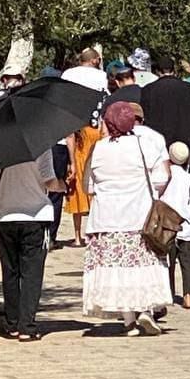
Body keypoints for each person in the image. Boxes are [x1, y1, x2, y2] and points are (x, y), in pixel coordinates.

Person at [81, 102, 172, 334]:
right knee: (141, 267)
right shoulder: (143, 144)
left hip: (106, 219)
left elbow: (88, 186)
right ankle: (145, 311)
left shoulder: (98, 148)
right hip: (138, 216)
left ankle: (129, 322)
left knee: (117, 271)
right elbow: (163, 176)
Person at [0, 148, 63, 341]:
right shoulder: (41, 148)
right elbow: (49, 181)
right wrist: (62, 185)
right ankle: (27, 326)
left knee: (10, 272)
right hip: (35, 215)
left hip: (6, 215)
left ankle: (12, 323)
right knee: (31, 274)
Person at [61, 48, 109, 248]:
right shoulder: (100, 76)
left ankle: (77, 235)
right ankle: (95, 231)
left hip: (74, 128)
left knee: (78, 181)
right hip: (95, 128)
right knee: (97, 178)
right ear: (95, 60)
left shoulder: (67, 74)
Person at [141, 54, 190, 152]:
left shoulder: (147, 90)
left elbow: (145, 120)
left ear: (157, 71)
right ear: (174, 70)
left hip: (159, 147)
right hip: (186, 146)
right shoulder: (189, 89)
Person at [162, 141, 190, 310]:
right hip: (186, 225)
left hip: (168, 226)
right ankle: (188, 296)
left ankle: (168, 293)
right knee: (187, 262)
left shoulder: (166, 176)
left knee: (168, 262)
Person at [38, 66, 71, 248]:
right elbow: (69, 135)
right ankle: (50, 235)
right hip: (59, 148)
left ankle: (41, 232)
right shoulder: (64, 104)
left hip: (40, 146)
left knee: (39, 189)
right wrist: (72, 161)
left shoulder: (35, 102)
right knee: (56, 192)